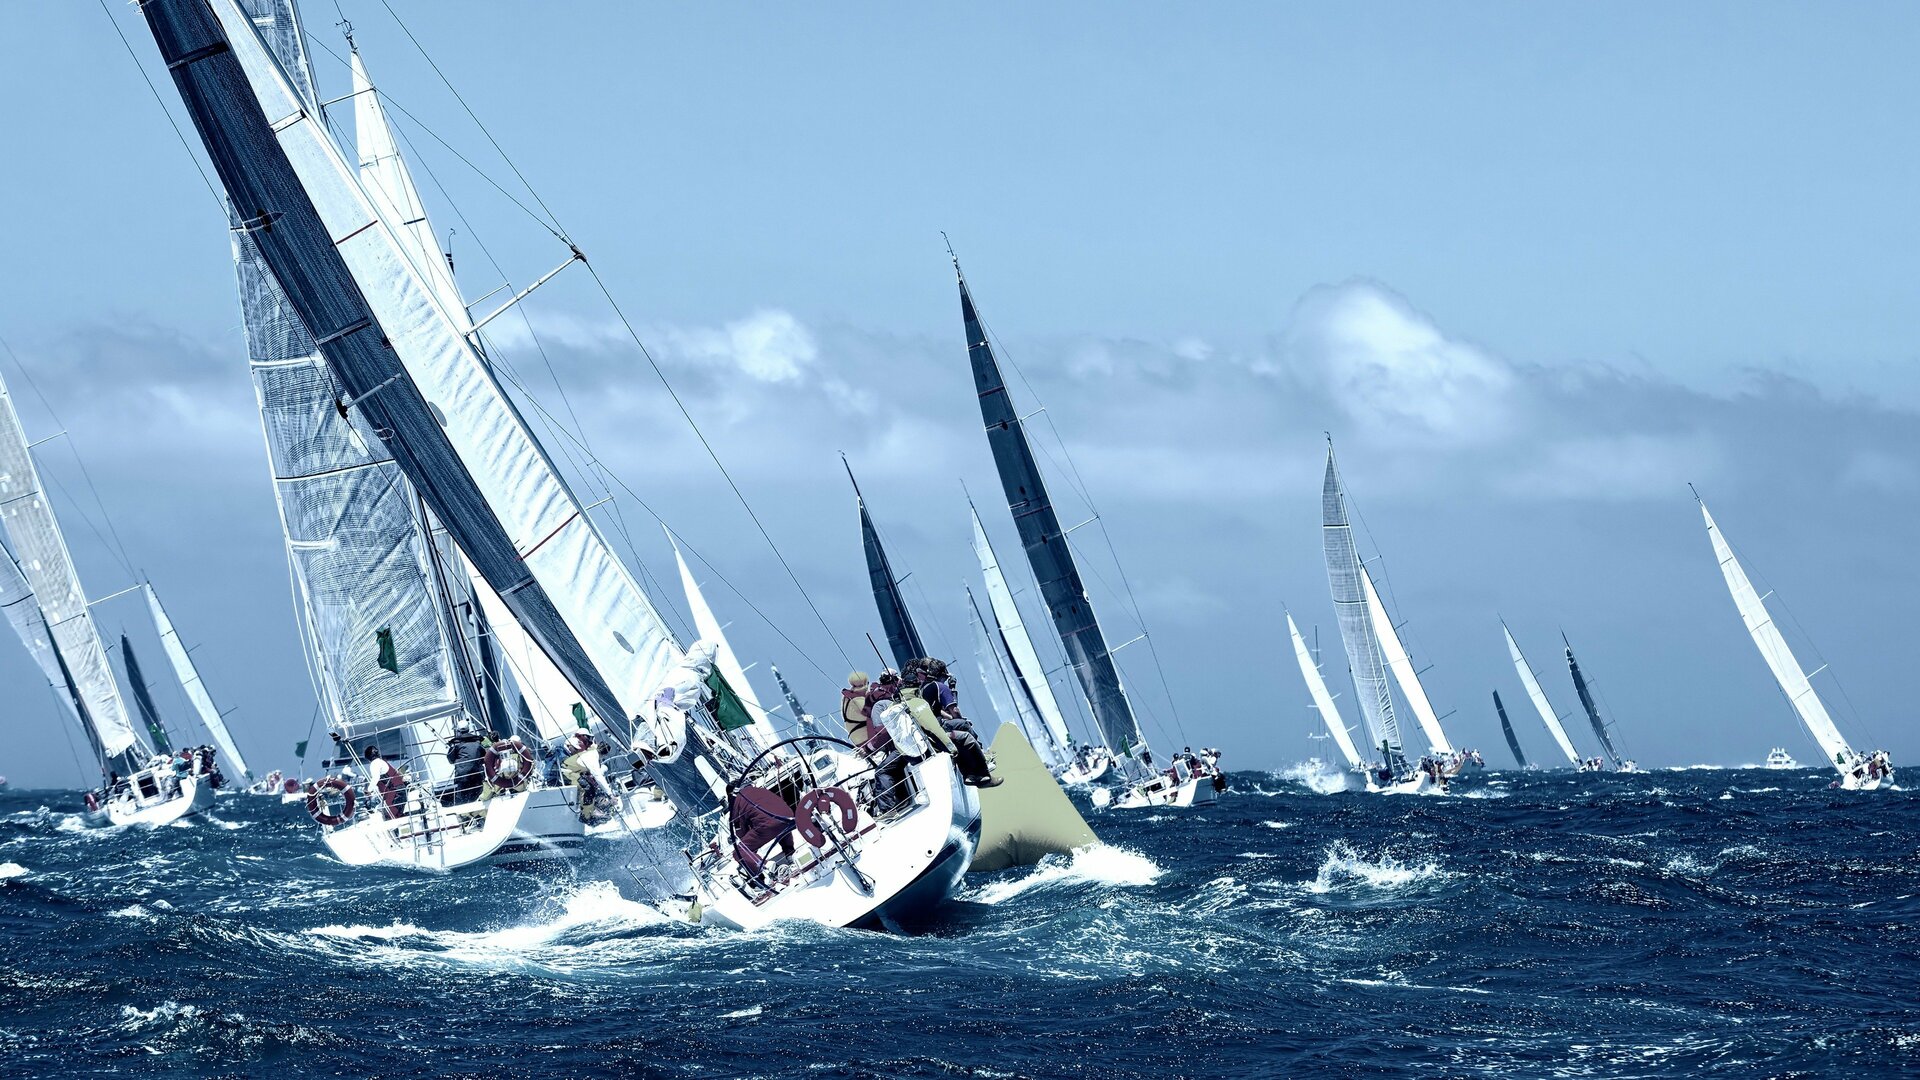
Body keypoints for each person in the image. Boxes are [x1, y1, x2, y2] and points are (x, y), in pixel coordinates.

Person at [907, 657, 999, 788]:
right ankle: (984, 758)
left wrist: (952, 719)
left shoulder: (923, 688)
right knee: (964, 726)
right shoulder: (941, 687)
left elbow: (937, 711)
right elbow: (954, 710)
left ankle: (970, 775)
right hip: (938, 727)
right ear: (942, 675)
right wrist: (953, 689)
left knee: (958, 732)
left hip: (926, 728)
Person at [444, 719, 487, 804]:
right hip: (477, 774)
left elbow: (451, 760)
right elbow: (484, 756)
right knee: (479, 795)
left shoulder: (455, 744)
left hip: (462, 776)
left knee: (463, 799)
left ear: (458, 730)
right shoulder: (478, 742)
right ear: (468, 729)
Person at [364, 746, 408, 819]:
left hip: (396, 793)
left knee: (389, 815)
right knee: (394, 814)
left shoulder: (374, 763)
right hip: (400, 791)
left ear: (368, 757)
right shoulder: (382, 761)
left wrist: (369, 790)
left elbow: (375, 778)